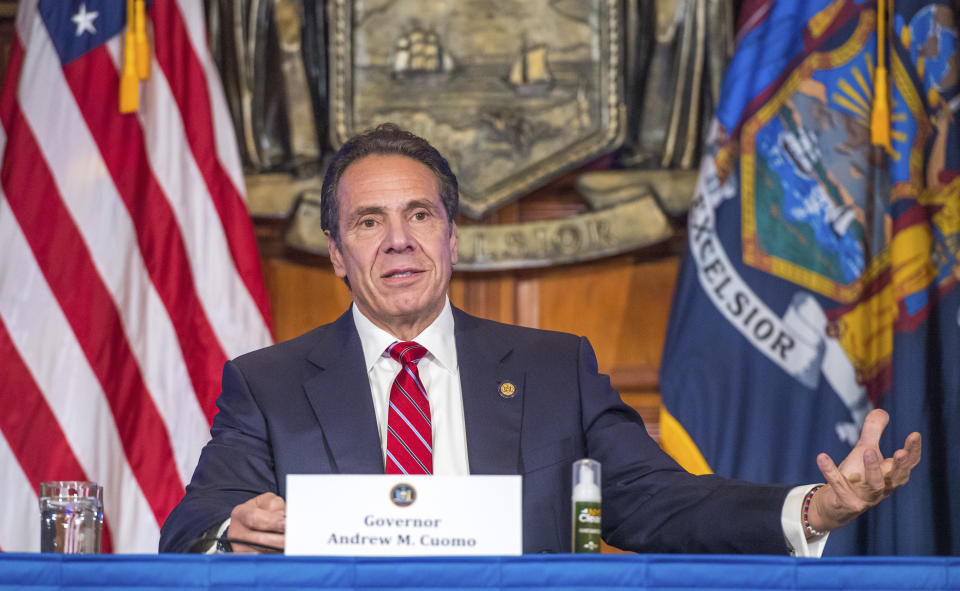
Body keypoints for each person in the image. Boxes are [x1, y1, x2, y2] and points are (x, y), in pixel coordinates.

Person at [159, 124, 922, 555]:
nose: (398, 242)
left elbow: (657, 501)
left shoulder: (556, 369)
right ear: (336, 252)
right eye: (368, 222)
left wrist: (814, 506)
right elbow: (190, 525)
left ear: (452, 238)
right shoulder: (268, 381)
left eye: (420, 216)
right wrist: (234, 528)